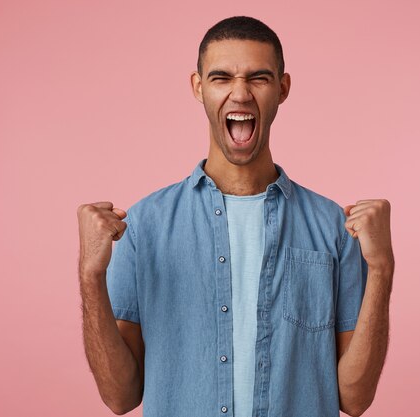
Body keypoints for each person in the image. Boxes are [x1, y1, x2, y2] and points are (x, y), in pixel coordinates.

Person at [77, 16, 394, 417]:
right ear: (198, 87)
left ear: (282, 89)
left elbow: (356, 398)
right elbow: (119, 397)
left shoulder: (333, 227)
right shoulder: (143, 228)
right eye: (221, 77)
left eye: (258, 78)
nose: (240, 93)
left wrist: (382, 269)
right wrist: (90, 276)